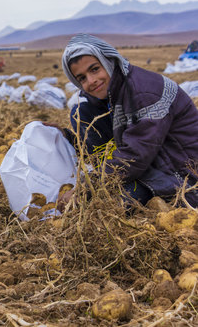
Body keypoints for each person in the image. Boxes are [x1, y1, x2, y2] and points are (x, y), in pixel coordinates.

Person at [60, 33, 198, 207]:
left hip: (179, 173)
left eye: (95, 69)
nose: (92, 80)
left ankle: (110, 179)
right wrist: (66, 137)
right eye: (82, 78)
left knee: (109, 205)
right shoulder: (114, 90)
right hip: (149, 159)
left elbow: (135, 156)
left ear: (108, 60)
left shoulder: (143, 93)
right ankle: (107, 174)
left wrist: (88, 187)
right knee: (81, 112)